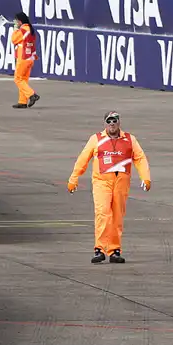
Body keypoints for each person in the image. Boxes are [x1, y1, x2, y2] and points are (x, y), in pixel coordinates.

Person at [68, 111, 152, 264]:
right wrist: (74, 178)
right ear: (104, 124)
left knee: (117, 216)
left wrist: (146, 178)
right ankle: (99, 249)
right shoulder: (96, 139)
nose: (112, 124)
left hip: (121, 183)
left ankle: (114, 250)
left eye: (114, 121)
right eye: (109, 121)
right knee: (103, 213)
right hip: (102, 182)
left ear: (119, 122)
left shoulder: (130, 139)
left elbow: (140, 158)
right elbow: (83, 159)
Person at [10, 12, 40, 109]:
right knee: (24, 80)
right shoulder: (30, 29)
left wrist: (15, 30)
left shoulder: (23, 30)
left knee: (17, 79)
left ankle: (32, 95)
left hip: (23, 57)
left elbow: (14, 40)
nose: (16, 22)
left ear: (20, 20)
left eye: (16, 21)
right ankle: (22, 101)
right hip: (30, 58)